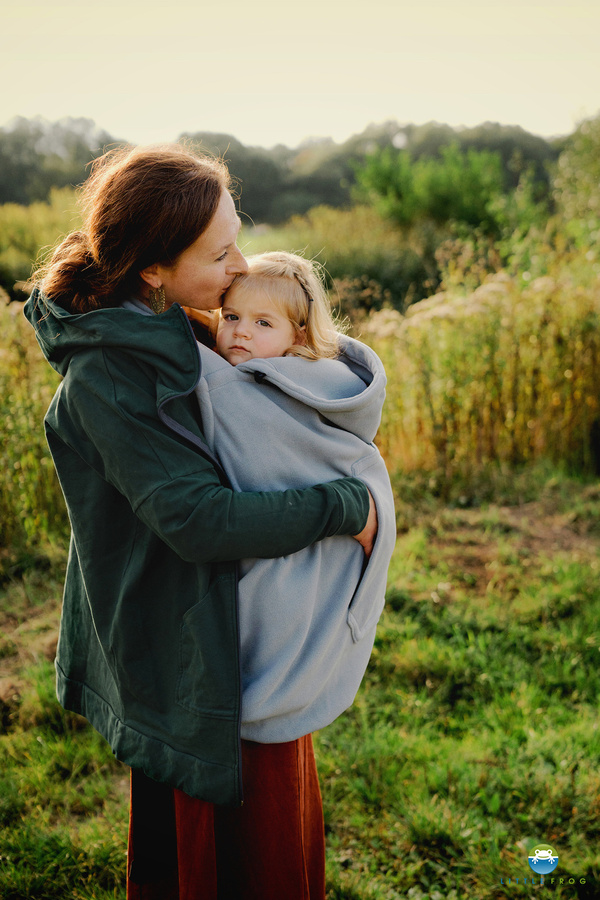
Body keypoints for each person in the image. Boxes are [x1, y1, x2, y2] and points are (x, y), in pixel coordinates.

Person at [24, 144, 379, 900]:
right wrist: (343, 506)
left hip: (230, 631)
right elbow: (196, 520)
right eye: (220, 252)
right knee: (232, 862)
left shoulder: (170, 322)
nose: (239, 263)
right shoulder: (111, 372)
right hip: (187, 647)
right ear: (153, 266)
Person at [125, 250, 396, 747]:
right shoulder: (250, 374)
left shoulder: (265, 388)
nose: (240, 332)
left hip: (298, 552)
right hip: (273, 539)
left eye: (262, 322)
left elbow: (302, 452)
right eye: (230, 317)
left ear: (298, 338)